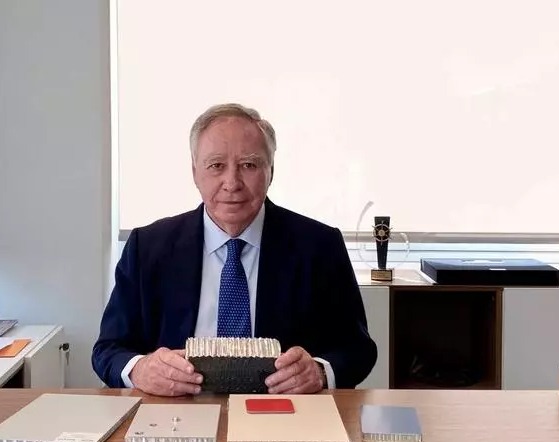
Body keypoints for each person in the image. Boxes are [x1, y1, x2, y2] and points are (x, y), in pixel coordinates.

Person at [92, 103, 377, 396]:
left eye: (249, 165)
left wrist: (318, 371)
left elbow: (358, 348)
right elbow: (108, 349)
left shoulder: (319, 245)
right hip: (177, 410)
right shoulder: (148, 247)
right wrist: (141, 369)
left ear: (271, 171)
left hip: (283, 412)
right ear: (195, 172)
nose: (232, 183)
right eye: (216, 165)